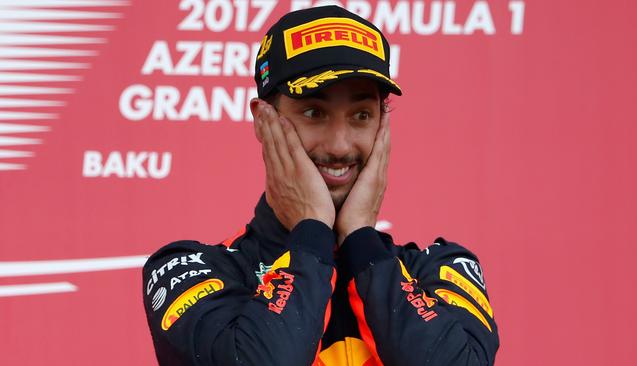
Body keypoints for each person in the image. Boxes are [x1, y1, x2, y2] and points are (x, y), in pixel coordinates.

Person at [143, 5, 499, 365]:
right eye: (314, 113)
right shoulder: (188, 270)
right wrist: (311, 230)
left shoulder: (438, 269)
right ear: (262, 121)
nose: (340, 145)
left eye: (362, 116)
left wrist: (361, 239)